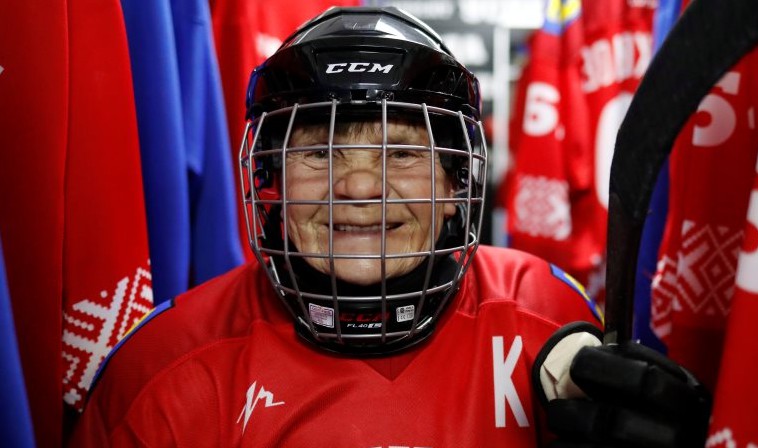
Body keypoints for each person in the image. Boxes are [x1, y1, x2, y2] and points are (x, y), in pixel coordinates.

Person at [69, 6, 707, 447]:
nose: (357, 187)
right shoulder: (164, 370)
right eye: (317, 154)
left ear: (458, 185)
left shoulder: (546, 316)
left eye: (402, 152)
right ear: (269, 184)